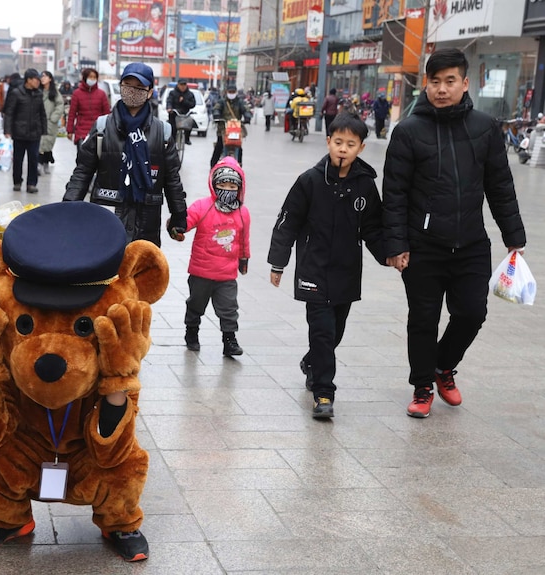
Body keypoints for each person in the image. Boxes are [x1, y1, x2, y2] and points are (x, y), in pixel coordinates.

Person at [383, 48, 526, 418]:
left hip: (471, 244)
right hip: (423, 247)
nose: (442, 89)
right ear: (426, 85)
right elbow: (394, 192)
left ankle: (443, 366)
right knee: (424, 318)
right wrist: (396, 244)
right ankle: (422, 386)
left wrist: (514, 234)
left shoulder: (484, 128)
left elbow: (500, 185)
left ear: (465, 83)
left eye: (450, 81)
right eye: (435, 82)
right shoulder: (408, 131)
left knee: (472, 312)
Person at [268, 113, 386, 418]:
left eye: (350, 144)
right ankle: (323, 394)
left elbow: (374, 228)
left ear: (361, 147)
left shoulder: (365, 186)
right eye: (338, 142)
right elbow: (287, 223)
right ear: (328, 142)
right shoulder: (309, 181)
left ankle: (312, 362)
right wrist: (278, 263)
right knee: (322, 332)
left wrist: (390, 255)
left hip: (346, 273)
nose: (343, 149)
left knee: (335, 333)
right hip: (314, 271)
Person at [64, 62, 187, 247]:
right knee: (104, 274)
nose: (133, 91)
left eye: (139, 87)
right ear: (121, 87)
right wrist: (67, 208)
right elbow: (82, 172)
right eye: (128, 86)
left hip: (146, 223)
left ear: (149, 91)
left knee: (140, 273)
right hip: (106, 220)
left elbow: (172, 180)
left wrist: (179, 216)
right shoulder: (102, 127)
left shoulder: (163, 133)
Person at [182, 157, 251, 358]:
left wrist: (244, 259)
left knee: (229, 308)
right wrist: (176, 226)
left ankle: (229, 340)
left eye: (232, 185)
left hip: (227, 274)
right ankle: (191, 331)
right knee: (196, 304)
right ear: (213, 185)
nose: (227, 189)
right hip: (201, 271)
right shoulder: (202, 207)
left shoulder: (242, 213)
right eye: (222, 184)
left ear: (239, 188)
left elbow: (244, 239)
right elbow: (187, 221)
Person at [3, 68, 46, 193]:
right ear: (28, 80)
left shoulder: (39, 94)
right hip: (19, 132)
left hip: (34, 132)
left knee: (33, 159)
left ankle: (31, 184)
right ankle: (17, 181)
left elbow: (42, 113)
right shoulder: (16, 93)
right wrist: (8, 130)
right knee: (18, 159)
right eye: (36, 79)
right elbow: (9, 113)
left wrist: (43, 129)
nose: (38, 82)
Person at [66, 68, 110, 156]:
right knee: (82, 158)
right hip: (81, 131)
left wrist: (109, 131)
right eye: (90, 77)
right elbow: (72, 113)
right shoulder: (77, 94)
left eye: (94, 77)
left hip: (98, 131)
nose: (92, 79)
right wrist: (69, 130)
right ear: (85, 78)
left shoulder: (101, 94)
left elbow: (107, 114)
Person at [211, 83, 250, 167]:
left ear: (236, 92)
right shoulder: (222, 101)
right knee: (219, 145)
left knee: (238, 146)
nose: (231, 93)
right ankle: (213, 165)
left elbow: (246, 109)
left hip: (236, 128)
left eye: (233, 92)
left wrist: (247, 116)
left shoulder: (240, 102)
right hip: (223, 128)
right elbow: (216, 108)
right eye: (230, 91)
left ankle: (239, 165)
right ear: (226, 92)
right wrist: (216, 114)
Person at [38, 70, 64, 174]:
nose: (42, 78)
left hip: (50, 122)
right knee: (39, 143)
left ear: (50, 78)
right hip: (39, 120)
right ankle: (39, 164)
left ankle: (46, 162)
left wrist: (54, 118)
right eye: (41, 76)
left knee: (48, 143)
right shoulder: (38, 91)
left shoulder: (54, 92)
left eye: (45, 76)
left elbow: (60, 105)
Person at [166, 79, 196, 145]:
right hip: (175, 113)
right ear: (178, 85)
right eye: (181, 85)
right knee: (172, 127)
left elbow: (192, 104)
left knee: (190, 123)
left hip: (185, 114)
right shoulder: (172, 93)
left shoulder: (190, 94)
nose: (183, 86)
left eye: (184, 85)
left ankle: (187, 139)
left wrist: (184, 101)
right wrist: (169, 108)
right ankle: (172, 141)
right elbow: (169, 101)